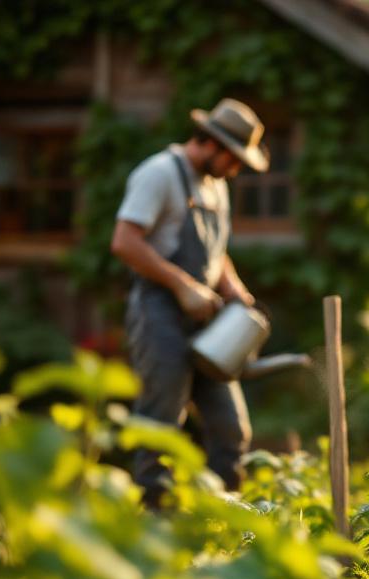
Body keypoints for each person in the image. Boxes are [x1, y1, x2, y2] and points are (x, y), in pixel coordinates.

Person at [109, 98, 269, 506]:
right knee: (161, 426)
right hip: (159, 312)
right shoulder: (159, 173)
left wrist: (232, 287)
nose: (236, 170)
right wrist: (182, 285)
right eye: (234, 160)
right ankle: (153, 529)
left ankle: (222, 526)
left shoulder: (216, 186)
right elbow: (124, 241)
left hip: (205, 321)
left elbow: (216, 252)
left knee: (231, 430)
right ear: (212, 144)